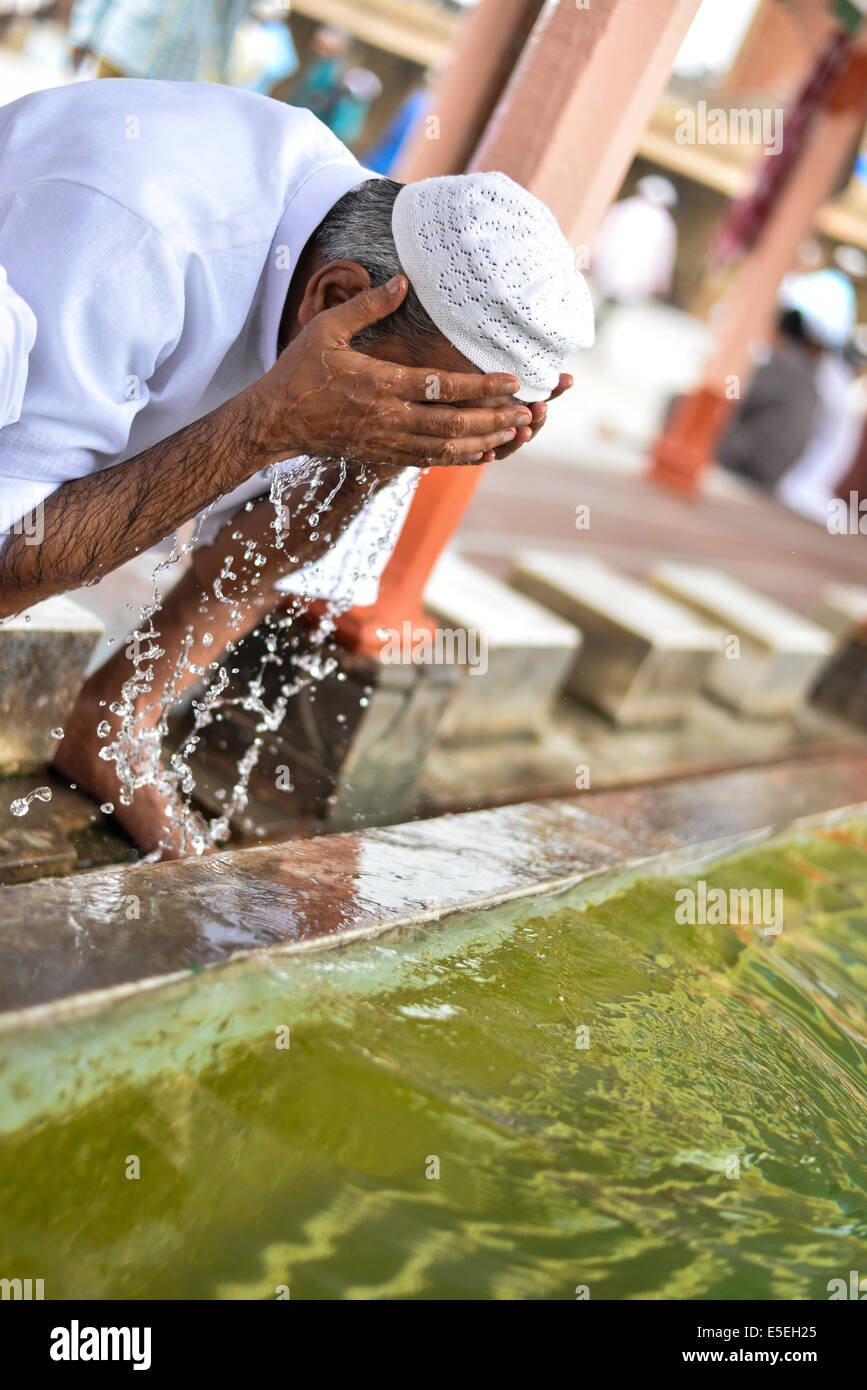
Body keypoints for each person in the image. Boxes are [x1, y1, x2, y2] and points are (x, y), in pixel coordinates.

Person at [0, 78, 592, 857]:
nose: (408, 432)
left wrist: (389, 453)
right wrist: (266, 423)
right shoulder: (142, 233)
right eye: (413, 406)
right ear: (337, 296)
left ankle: (115, 722)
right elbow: (10, 559)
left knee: (355, 448)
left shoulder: (354, 246)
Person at [719, 269, 855, 492]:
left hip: (764, 483)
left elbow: (733, 399)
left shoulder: (797, 370)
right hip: (788, 489)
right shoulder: (824, 376)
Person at [68, 0, 251, 81]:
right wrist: (83, 31)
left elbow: (230, 21)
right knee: (93, 137)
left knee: (143, 151)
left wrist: (220, 79)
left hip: (178, 71)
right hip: (123, 45)